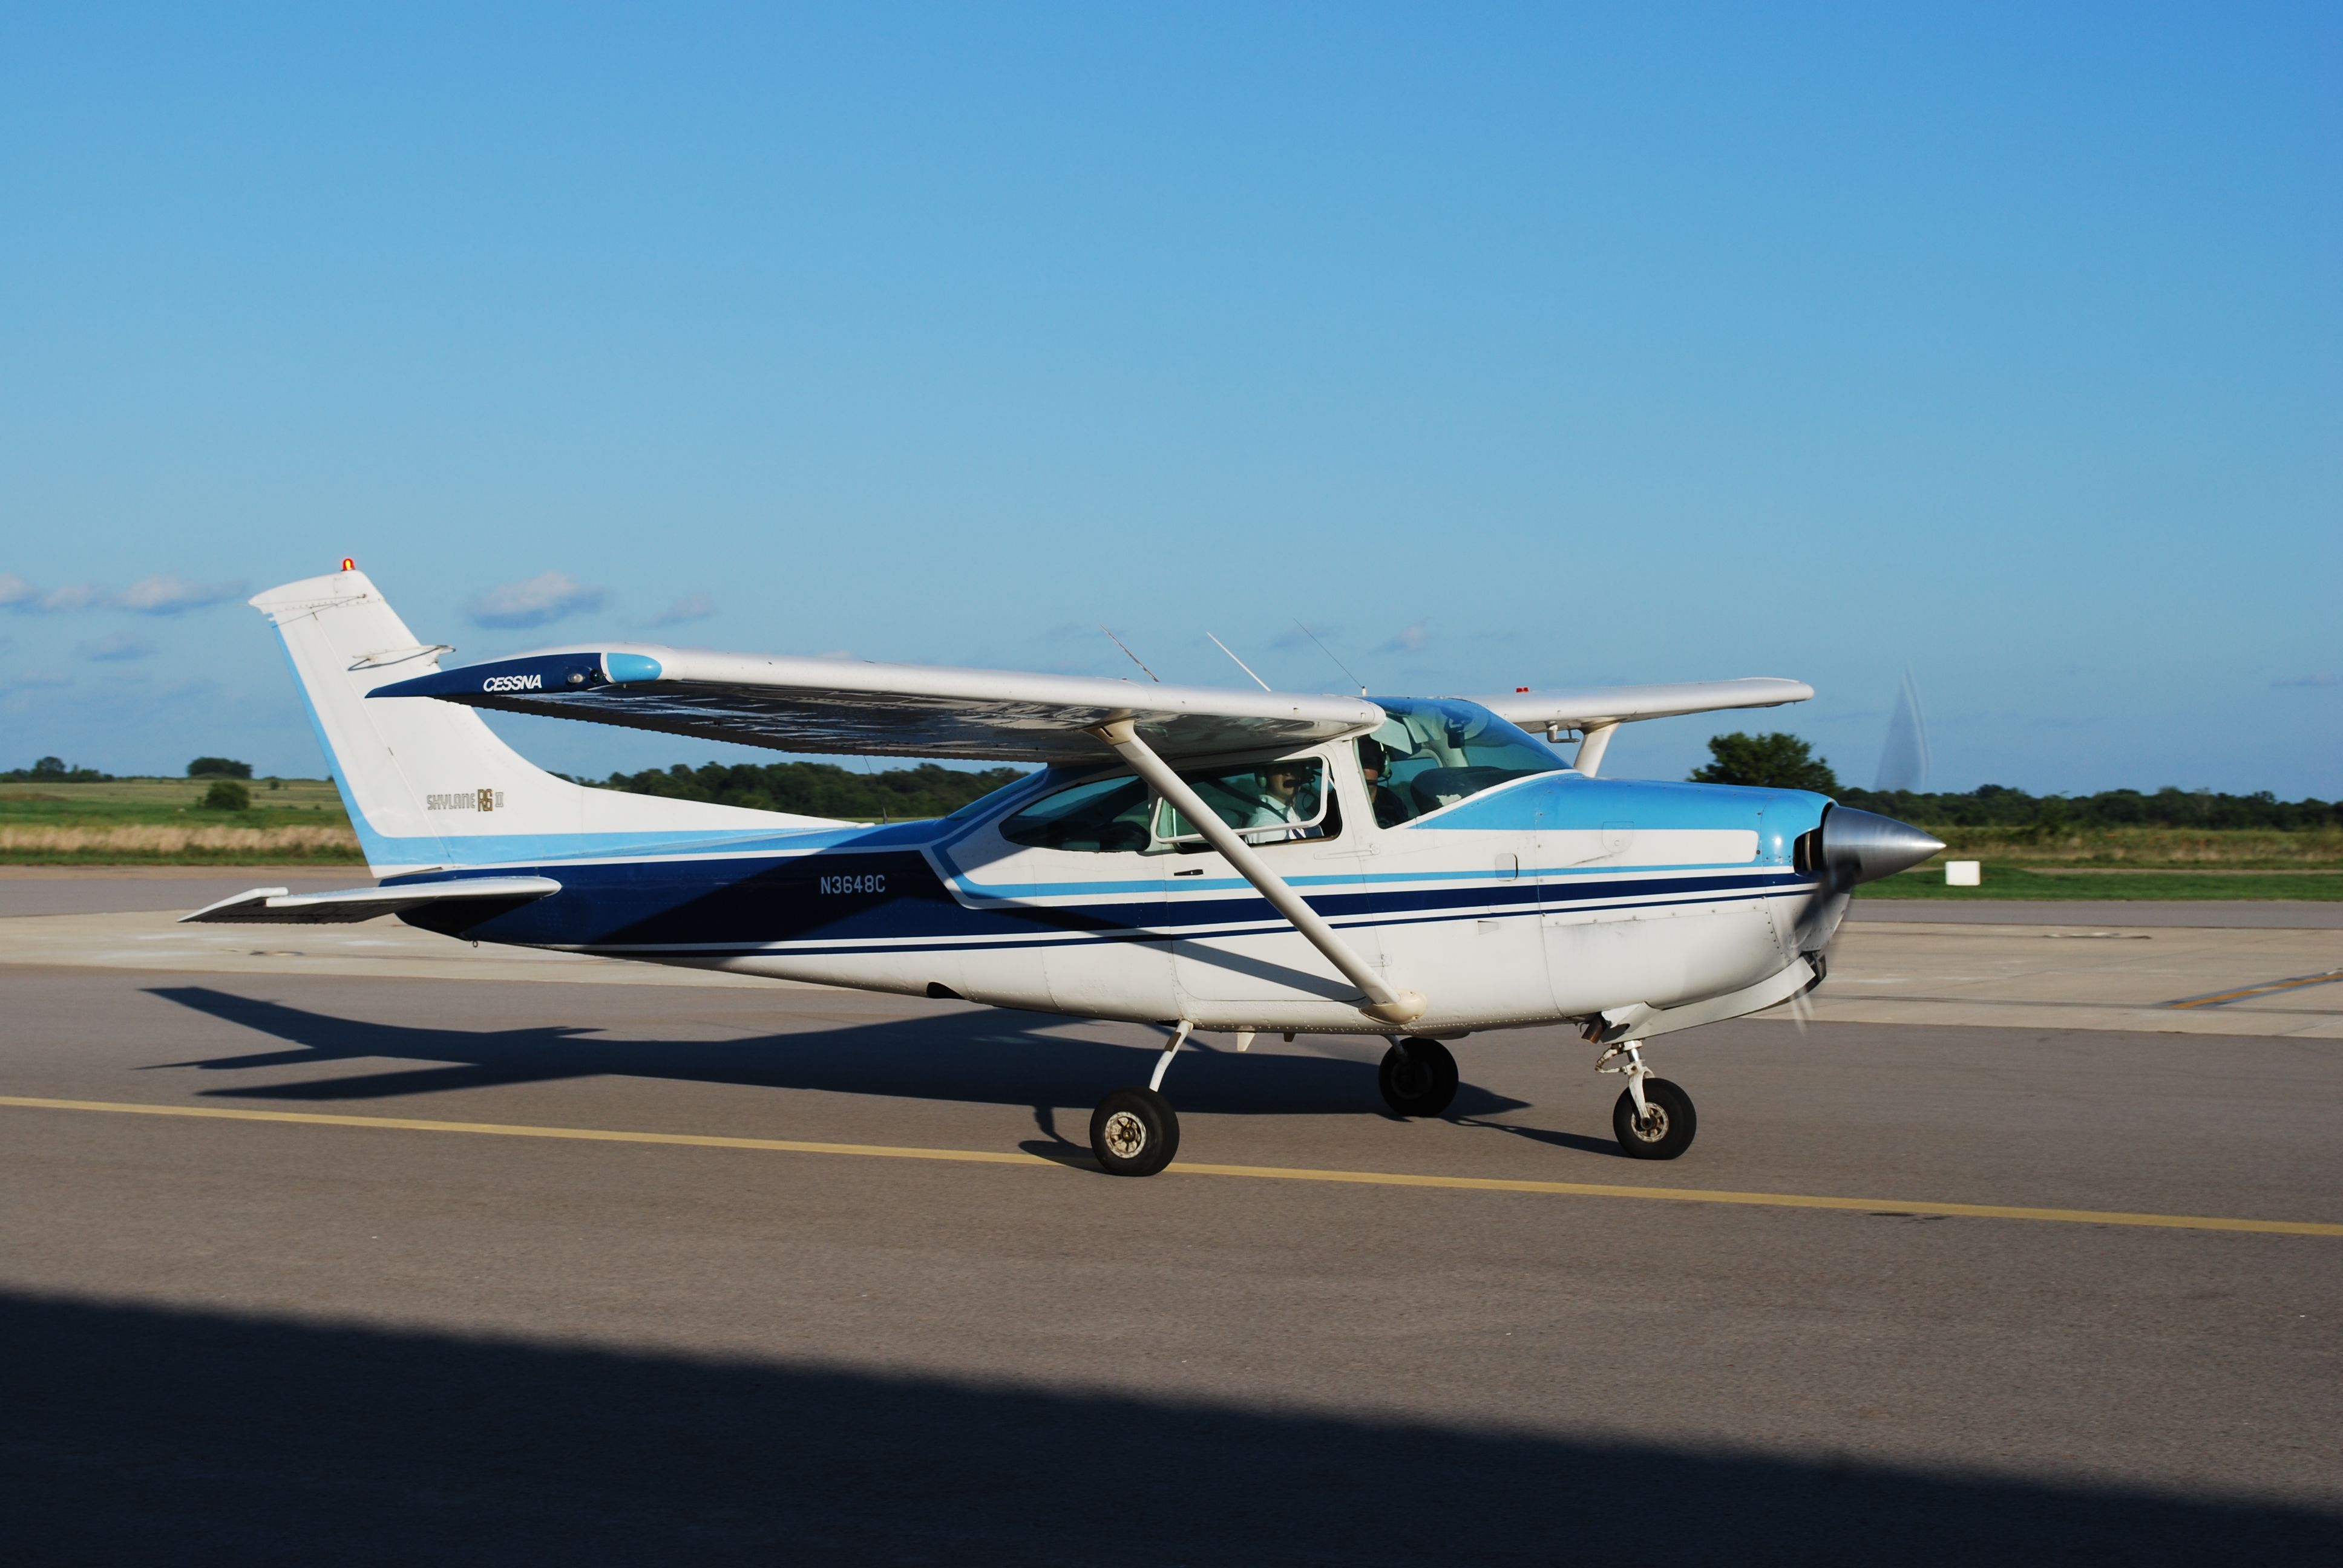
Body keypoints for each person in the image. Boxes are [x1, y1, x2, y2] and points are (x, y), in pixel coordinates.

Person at [1357, 737, 1412, 828]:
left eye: (1368, 763)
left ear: (1382, 768)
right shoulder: (1331, 805)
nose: (1360, 770)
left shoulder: (1391, 802)